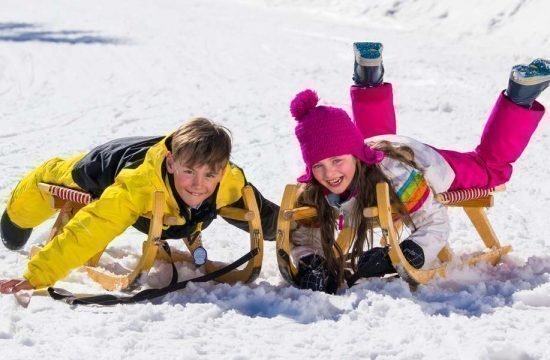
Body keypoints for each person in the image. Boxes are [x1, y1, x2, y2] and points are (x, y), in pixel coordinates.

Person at [289, 42, 549, 293]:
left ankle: (520, 96)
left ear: (355, 156)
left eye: (336, 162)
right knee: (376, 134)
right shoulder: (318, 183)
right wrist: (312, 262)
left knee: (489, 167)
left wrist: (404, 254)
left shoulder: (399, 177)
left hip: (421, 161)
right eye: (319, 165)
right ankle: (369, 76)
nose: (330, 173)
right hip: (377, 143)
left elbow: (434, 222)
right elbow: (304, 233)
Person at [0, 117, 279, 293]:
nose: (198, 184)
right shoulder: (138, 187)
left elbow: (266, 217)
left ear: (222, 170)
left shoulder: (229, 180)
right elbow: (92, 228)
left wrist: (306, 232)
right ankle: (11, 223)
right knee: (53, 176)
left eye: (209, 175)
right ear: (171, 164)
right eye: (189, 172)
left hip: (157, 157)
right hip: (108, 164)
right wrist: (37, 276)